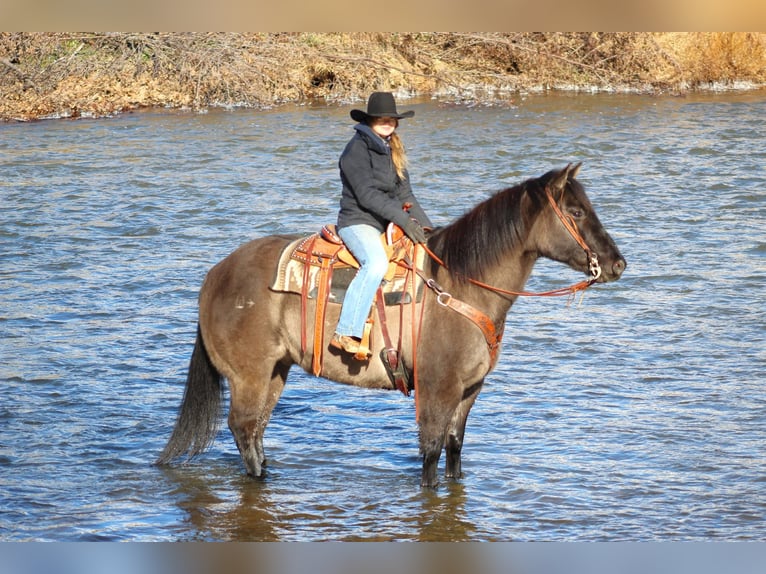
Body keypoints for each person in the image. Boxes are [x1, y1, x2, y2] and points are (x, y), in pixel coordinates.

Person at [330, 92, 433, 357]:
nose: (388, 122)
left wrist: (429, 230)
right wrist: (402, 220)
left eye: (392, 119)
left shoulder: (393, 148)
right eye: (381, 118)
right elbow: (367, 195)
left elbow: (406, 195)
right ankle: (345, 331)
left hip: (388, 221)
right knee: (376, 264)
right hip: (358, 221)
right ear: (370, 120)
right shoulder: (356, 150)